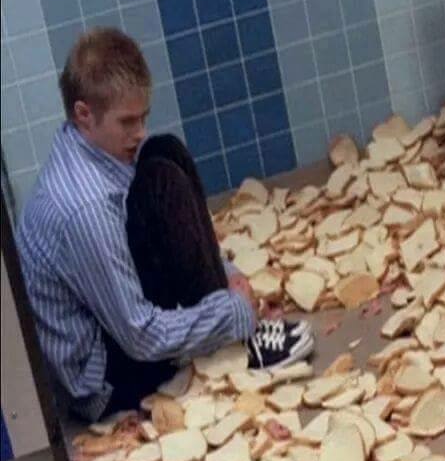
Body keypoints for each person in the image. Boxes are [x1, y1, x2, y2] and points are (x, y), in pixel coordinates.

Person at [15, 28, 313, 422]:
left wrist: (225, 275)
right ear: (84, 113)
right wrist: (232, 311)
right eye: (127, 122)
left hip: (109, 326)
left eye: (143, 117)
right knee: (160, 184)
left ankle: (226, 320)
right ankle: (238, 340)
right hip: (101, 382)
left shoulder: (89, 146)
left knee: (163, 153)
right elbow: (140, 336)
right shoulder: (83, 207)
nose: (138, 131)